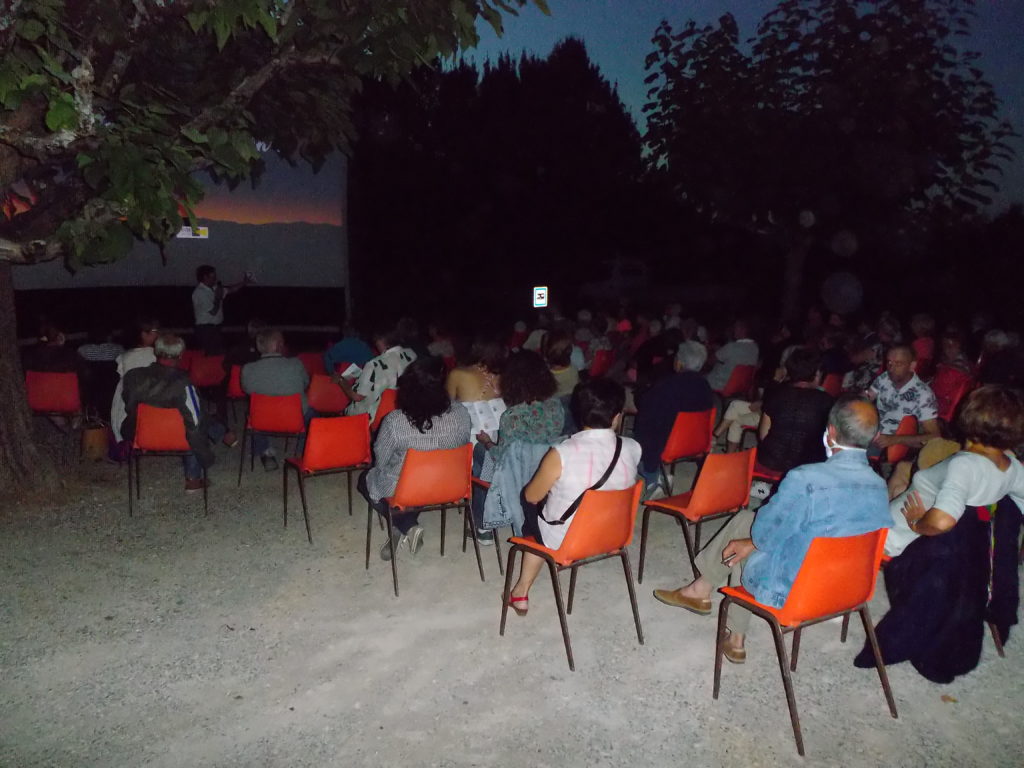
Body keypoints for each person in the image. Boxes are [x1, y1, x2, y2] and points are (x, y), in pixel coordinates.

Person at [652, 396, 891, 663]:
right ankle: (710, 605)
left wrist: (752, 543)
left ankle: (709, 604)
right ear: (876, 436)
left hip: (795, 590)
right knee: (748, 529)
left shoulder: (806, 479)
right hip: (847, 588)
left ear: (831, 431)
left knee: (747, 528)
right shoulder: (880, 486)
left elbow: (763, 534)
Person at [856, 386, 1024, 682]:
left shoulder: (965, 464)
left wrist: (917, 523)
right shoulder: (1009, 463)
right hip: (963, 550)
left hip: (900, 539)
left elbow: (943, 520)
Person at [505, 378, 642, 616]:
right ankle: (522, 587)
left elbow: (531, 495)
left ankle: (521, 590)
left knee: (528, 502)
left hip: (568, 541)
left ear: (577, 414)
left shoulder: (562, 453)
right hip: (614, 534)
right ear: (617, 417)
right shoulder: (632, 447)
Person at [358, 357, 472, 560]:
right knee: (417, 484)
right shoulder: (462, 413)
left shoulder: (395, 421)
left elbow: (381, 459)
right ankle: (403, 525)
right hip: (450, 484)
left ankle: (405, 524)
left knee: (365, 480)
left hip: (410, 488)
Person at [475, 351, 564, 540]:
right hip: (546, 469)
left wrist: (487, 442)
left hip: (518, 475)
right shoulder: (556, 406)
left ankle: (483, 526)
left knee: (480, 452)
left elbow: (501, 455)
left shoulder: (512, 417)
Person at [120, 334, 216, 492]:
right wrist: (206, 456)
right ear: (180, 355)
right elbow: (195, 424)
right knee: (197, 420)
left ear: (156, 352)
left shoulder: (133, 376)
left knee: (199, 417)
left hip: (143, 436)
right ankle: (193, 479)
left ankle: (220, 430)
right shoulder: (184, 382)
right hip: (177, 438)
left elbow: (129, 407)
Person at [634, 343, 713, 495]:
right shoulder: (705, 385)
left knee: (632, 445)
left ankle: (653, 478)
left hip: (670, 445)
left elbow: (647, 413)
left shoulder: (667, 385)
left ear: (680, 362)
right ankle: (662, 474)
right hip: (697, 442)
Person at [240, 328, 310, 471]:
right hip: (294, 418)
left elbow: (247, 390)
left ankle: (266, 453)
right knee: (312, 414)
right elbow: (305, 383)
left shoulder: (247, 369)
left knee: (254, 410)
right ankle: (300, 454)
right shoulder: (296, 364)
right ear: (278, 345)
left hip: (261, 420)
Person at [867, 345, 940, 456]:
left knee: (850, 452)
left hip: (891, 443)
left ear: (912, 366)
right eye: (889, 363)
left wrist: (896, 439)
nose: (891, 368)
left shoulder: (923, 394)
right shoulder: (885, 378)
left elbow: (935, 436)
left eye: (898, 364)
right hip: (872, 431)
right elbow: (867, 397)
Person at [445, 333, 506, 447]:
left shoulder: (457, 374)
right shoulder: (504, 376)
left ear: (475, 349)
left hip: (465, 438)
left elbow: (446, 408)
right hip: (495, 440)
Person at [111, 318, 161, 443]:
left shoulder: (124, 357)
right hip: (144, 413)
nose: (158, 333)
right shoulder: (158, 357)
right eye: (155, 330)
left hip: (130, 417)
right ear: (144, 334)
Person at [191, 265, 248, 354]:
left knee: (218, 354)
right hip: (206, 330)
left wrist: (245, 282)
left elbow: (231, 289)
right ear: (205, 277)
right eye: (213, 276)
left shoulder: (214, 289)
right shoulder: (199, 292)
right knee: (211, 356)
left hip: (215, 328)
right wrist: (218, 297)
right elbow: (213, 311)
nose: (215, 278)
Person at [705, 318, 758, 392]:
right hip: (741, 386)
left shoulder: (731, 347)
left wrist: (711, 351)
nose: (733, 330)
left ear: (743, 330)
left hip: (721, 384)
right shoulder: (755, 348)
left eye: (736, 327)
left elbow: (710, 361)